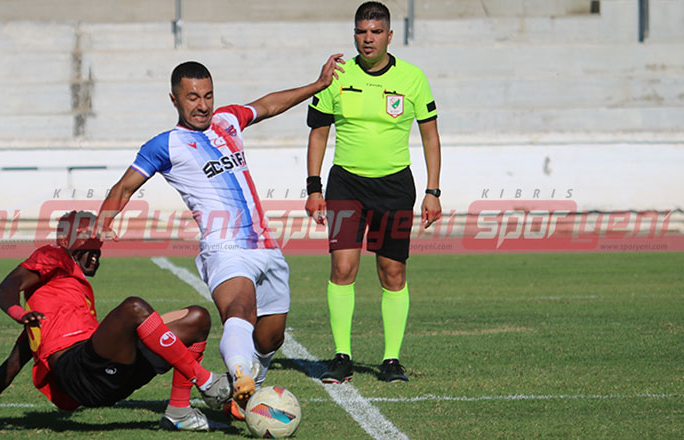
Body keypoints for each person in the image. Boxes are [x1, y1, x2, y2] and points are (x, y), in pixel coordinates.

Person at [97, 55, 343, 418]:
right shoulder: (164, 145)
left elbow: (268, 105)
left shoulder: (227, 120)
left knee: (271, 337)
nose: (203, 105)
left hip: (267, 247)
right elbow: (125, 185)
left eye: (208, 95)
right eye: (193, 97)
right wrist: (103, 223)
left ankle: (245, 393)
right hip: (224, 248)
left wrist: (317, 86)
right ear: (174, 99)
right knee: (239, 311)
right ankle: (241, 379)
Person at [0, 211, 232, 431]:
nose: (96, 253)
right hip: (78, 371)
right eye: (88, 244)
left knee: (197, 318)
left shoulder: (63, 302)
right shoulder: (53, 255)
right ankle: (205, 380)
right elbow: (6, 287)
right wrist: (17, 312)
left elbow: (13, 362)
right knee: (133, 308)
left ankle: (179, 413)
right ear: (67, 242)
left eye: (97, 245)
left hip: (109, 376)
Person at [304, 1, 442, 384]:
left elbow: (430, 136)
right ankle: (342, 356)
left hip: (395, 187)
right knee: (342, 268)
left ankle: (391, 360)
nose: (368, 39)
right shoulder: (337, 75)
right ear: (354, 35)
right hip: (346, 184)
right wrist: (314, 186)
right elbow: (318, 133)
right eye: (362, 32)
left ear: (389, 36)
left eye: (376, 32)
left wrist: (433, 190)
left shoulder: (413, 78)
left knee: (392, 272)